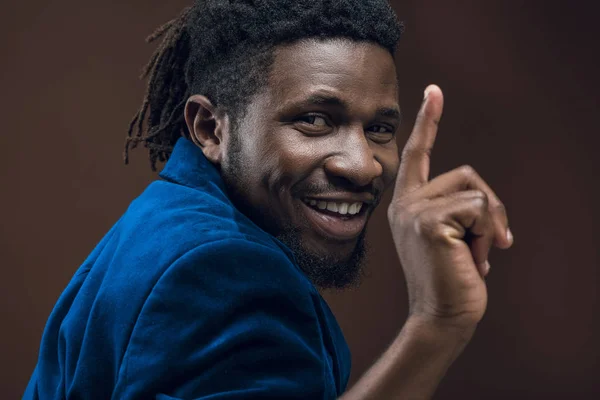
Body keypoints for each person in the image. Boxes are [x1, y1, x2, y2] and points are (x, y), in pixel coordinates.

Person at [24, 0, 513, 398]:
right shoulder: (226, 273)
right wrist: (436, 324)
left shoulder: (161, 221)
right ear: (210, 129)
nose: (362, 164)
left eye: (380, 128)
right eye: (315, 120)